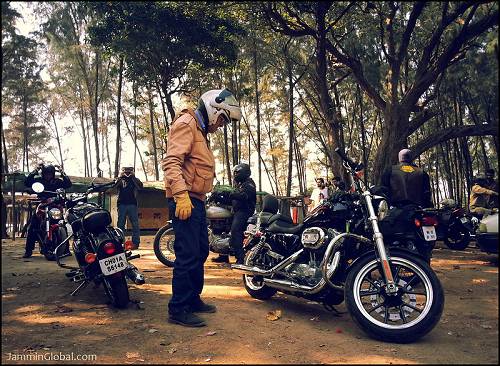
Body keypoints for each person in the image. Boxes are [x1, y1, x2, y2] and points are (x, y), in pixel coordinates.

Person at [162, 88, 242, 327]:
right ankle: (178, 308)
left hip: (196, 199)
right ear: (213, 109)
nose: (221, 125)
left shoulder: (199, 129)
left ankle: (193, 298)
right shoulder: (187, 123)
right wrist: (181, 195)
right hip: (184, 199)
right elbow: (171, 162)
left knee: (200, 251)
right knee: (187, 253)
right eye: (223, 119)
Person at [23, 164, 72, 258]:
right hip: (43, 205)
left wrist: (62, 172)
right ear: (43, 174)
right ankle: (28, 250)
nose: (48, 175)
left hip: (55, 206)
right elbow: (27, 182)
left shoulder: (57, 181)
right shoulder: (39, 182)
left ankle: (66, 249)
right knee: (32, 227)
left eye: (50, 173)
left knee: (62, 225)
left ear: (53, 174)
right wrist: (35, 171)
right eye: (46, 173)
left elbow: (68, 184)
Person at [212, 163, 256, 265]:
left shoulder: (249, 184)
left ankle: (240, 258)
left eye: (237, 173)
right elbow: (232, 201)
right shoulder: (240, 184)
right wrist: (218, 198)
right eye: (234, 173)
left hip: (244, 212)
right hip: (237, 212)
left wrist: (228, 193)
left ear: (244, 173)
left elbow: (243, 196)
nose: (235, 175)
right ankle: (223, 256)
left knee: (236, 233)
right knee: (223, 231)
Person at [113, 167, 143, 249]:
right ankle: (120, 243)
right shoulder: (119, 180)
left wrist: (133, 178)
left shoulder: (135, 180)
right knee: (120, 225)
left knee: (135, 224)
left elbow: (140, 187)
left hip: (132, 204)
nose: (127, 173)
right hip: (121, 204)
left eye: (129, 171)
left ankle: (136, 243)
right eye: (125, 171)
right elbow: (113, 188)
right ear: (122, 171)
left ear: (132, 171)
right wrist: (119, 178)